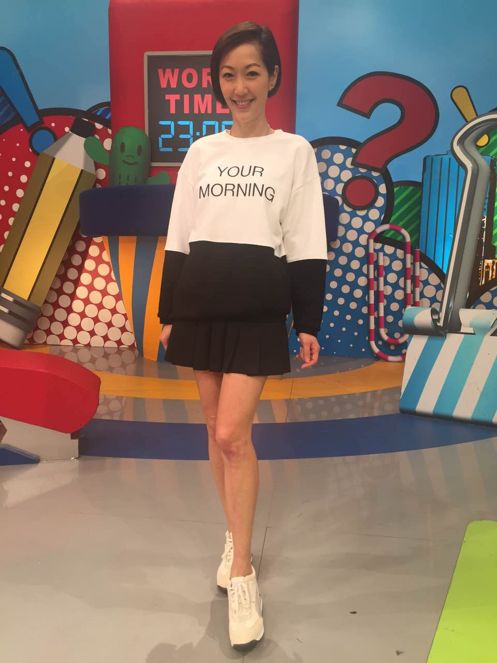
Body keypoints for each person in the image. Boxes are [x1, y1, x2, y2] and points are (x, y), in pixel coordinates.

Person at [158, 20, 327, 651]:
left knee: (233, 434)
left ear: (273, 77)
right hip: (200, 306)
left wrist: (306, 321)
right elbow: (180, 235)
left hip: (258, 310)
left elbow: (306, 239)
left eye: (251, 72)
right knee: (213, 431)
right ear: (217, 83)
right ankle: (234, 536)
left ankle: (244, 573)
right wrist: (169, 311)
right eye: (228, 75)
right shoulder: (201, 153)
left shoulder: (294, 152)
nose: (240, 86)